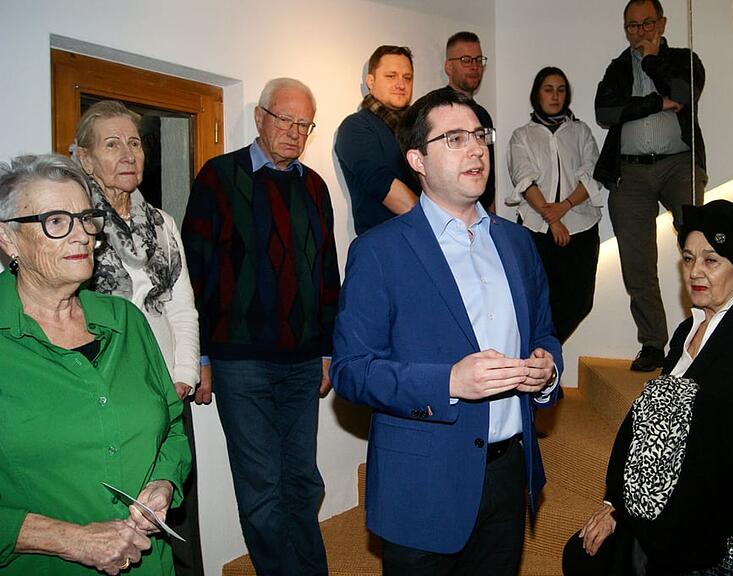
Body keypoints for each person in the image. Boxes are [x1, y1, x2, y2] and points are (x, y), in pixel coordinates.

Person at [331, 87, 563, 575]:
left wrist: (547, 373)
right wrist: (450, 382)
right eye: (454, 139)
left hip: (508, 474)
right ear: (417, 159)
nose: (476, 149)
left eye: (479, 136)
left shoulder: (518, 243)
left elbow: (544, 335)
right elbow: (352, 371)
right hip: (422, 482)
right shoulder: (379, 251)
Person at [563, 200, 733, 575]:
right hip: (661, 501)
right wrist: (616, 501)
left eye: (712, 261)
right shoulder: (684, 332)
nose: (695, 271)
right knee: (582, 555)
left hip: (726, 510)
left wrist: (688, 417)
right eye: (688, 258)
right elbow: (648, 425)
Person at [0, 154, 190, 575]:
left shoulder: (126, 320)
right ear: (8, 238)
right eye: (55, 221)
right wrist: (67, 539)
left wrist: (164, 483)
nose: (82, 235)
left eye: (86, 218)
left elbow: (172, 428)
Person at [182, 78, 338, 576]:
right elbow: (193, 270)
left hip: (303, 361)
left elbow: (326, 274)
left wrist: (328, 350)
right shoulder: (218, 177)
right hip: (240, 363)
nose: (294, 132)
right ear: (259, 117)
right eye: (285, 120)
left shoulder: (314, 187)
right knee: (262, 489)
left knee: (304, 483)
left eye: (304, 124)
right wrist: (199, 357)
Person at [73, 100, 205, 576]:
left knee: (174, 508)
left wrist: (184, 374)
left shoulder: (162, 224)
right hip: (106, 390)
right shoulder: (76, 225)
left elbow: (181, 306)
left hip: (167, 386)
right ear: (85, 159)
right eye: (112, 144)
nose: (129, 154)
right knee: (115, 515)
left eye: (134, 143)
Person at [594, 0, 707, 371]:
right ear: (624, 28)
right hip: (630, 172)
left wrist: (654, 60)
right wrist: (658, 103)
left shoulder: (685, 59)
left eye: (647, 23)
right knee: (637, 262)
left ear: (662, 23)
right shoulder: (617, 67)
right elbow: (605, 112)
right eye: (632, 25)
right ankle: (653, 344)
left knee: (699, 244)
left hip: (679, 165)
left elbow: (684, 95)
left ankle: (710, 332)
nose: (640, 31)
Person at [507, 66, 604, 342]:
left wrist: (564, 207)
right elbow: (524, 179)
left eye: (561, 90)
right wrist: (553, 219)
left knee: (579, 302)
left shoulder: (580, 131)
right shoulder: (522, 136)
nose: (555, 96)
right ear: (537, 94)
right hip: (536, 229)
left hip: (581, 227)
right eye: (548, 89)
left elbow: (592, 173)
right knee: (536, 302)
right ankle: (542, 359)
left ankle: (546, 352)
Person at [336, 45, 421, 236]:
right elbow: (383, 185)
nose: (401, 84)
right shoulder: (355, 127)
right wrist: (435, 224)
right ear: (371, 81)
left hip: (424, 239)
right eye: (391, 76)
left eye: (407, 78)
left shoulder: (420, 128)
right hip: (385, 244)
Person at [444, 31, 496, 212]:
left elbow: (489, 174)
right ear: (449, 67)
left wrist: (492, 218)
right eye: (466, 60)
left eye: (478, 60)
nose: (474, 66)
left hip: (481, 214)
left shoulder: (483, 115)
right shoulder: (438, 110)